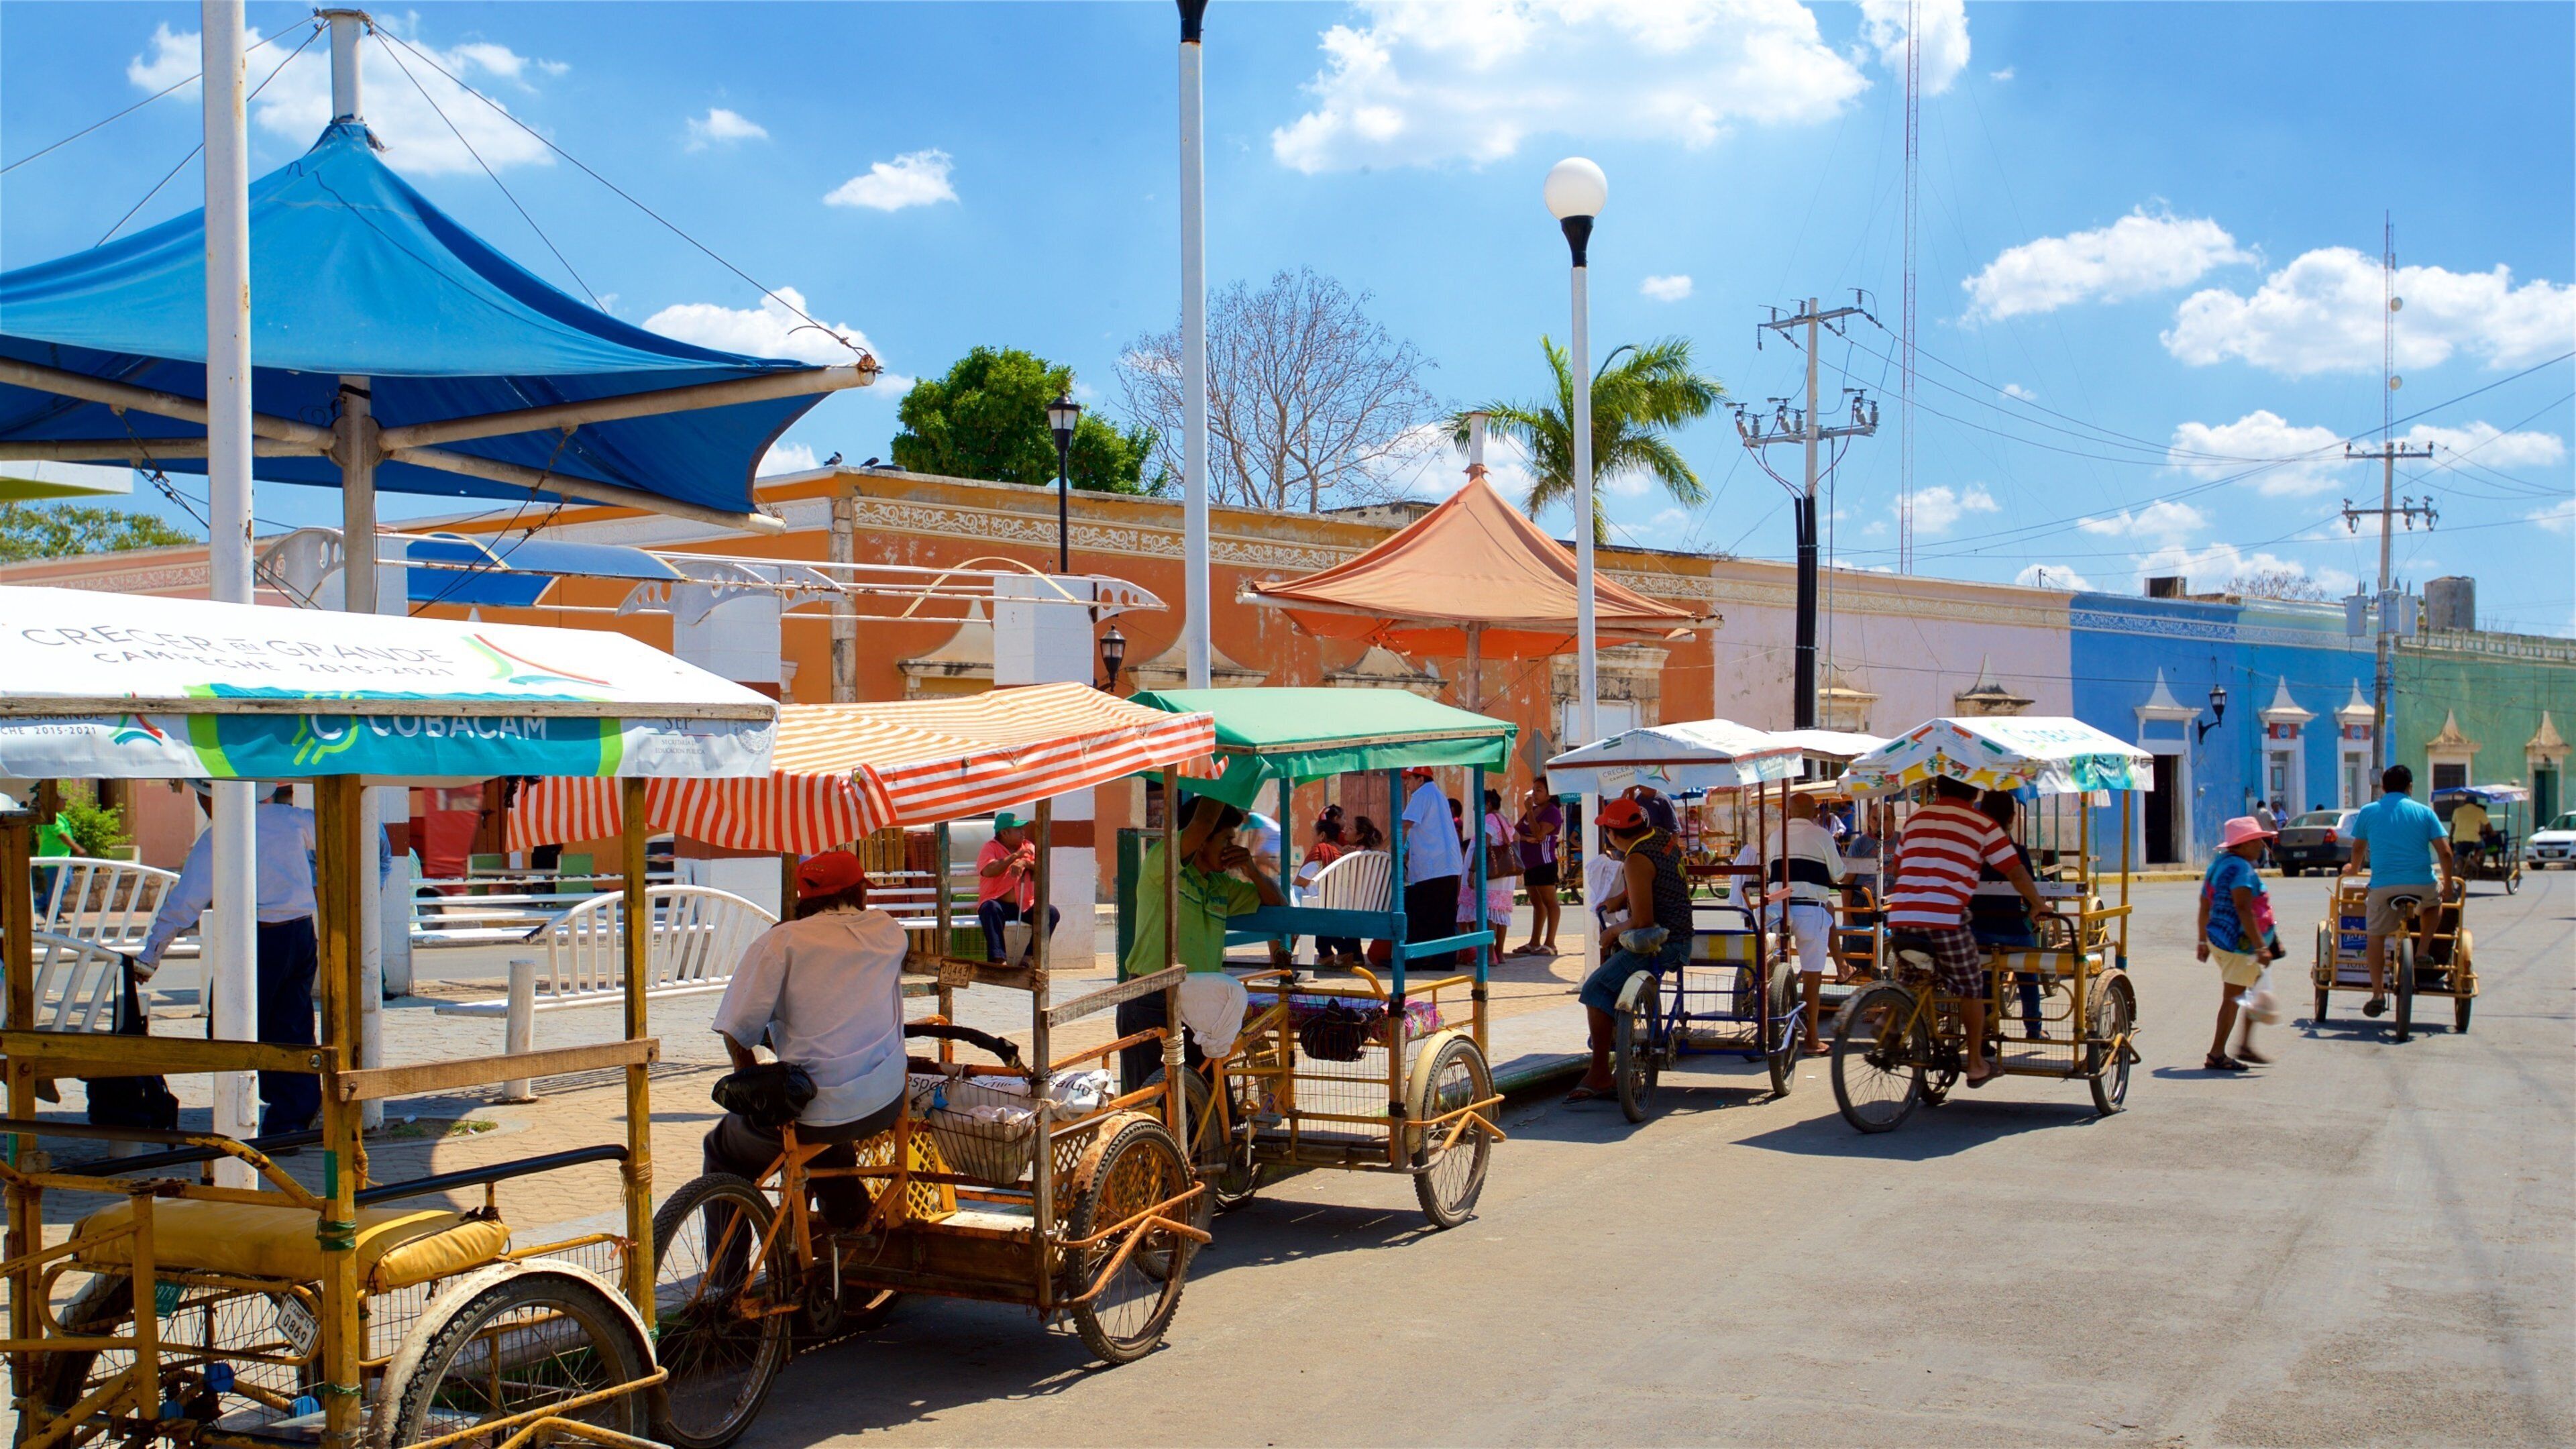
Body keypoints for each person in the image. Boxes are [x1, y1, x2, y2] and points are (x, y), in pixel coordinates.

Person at [704, 851, 908, 1231]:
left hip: (817, 1113)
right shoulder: (890, 931)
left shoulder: (781, 942)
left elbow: (736, 1028)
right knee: (826, 1102)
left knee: (722, 1149)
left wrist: (749, 1085)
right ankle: (849, 1218)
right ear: (860, 892)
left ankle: (726, 1282)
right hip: (885, 1101)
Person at [138, 783, 325, 1134]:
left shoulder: (219, 836)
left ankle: (245, 1116)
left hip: (257, 938)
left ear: (214, 796)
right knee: (292, 1025)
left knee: (229, 1027)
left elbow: (185, 902)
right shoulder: (294, 820)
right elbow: (354, 833)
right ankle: (293, 1113)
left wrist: (152, 953)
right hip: (300, 934)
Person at [1882, 775, 2051, 1089]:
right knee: (1972, 985)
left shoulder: (1916, 819)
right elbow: (2014, 870)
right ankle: (1975, 1064)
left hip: (1902, 916)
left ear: (1937, 789)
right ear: (1974, 791)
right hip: (1945, 918)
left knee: (1912, 977)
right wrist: (2038, 903)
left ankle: (1891, 1019)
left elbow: (1897, 869)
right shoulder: (1981, 823)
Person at [1114, 794, 1287, 1089]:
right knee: (1154, 1104)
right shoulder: (1164, 862)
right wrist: (1226, 781)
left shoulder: (1221, 885)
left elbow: (1279, 907)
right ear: (1202, 840)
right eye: (1226, 840)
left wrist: (1252, 870)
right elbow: (1204, 820)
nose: (1232, 848)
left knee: (1207, 1107)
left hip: (1199, 1006)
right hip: (1152, 999)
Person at [1566, 798, 1693, 1103]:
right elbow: (1655, 882)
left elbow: (1643, 921)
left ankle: (1599, 1073)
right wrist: (1622, 898)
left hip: (1665, 944)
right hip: (1680, 935)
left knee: (1595, 987)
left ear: (1613, 834)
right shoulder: (1662, 838)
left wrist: (1612, 931)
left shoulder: (1635, 860)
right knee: (1608, 978)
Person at [2342, 764, 2457, 1018]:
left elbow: (2358, 848)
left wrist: (2354, 869)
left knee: (2375, 936)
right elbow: (2446, 853)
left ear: (2383, 787)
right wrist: (2447, 885)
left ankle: (2377, 994)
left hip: (2382, 887)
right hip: (2421, 883)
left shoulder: (2369, 812)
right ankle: (2423, 950)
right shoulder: (2425, 813)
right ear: (2411, 787)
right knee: (2433, 904)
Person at [1735, 792, 1846, 1055]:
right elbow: (1839, 873)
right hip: (1811, 911)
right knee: (1812, 976)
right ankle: (1812, 1039)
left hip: (1779, 910)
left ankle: (1767, 1025)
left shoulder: (1775, 837)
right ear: (1816, 812)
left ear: (1788, 812)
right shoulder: (1822, 835)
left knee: (1773, 967)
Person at [2196, 816, 2282, 1071]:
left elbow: (2205, 905)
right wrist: (2260, 946)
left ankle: (2244, 1044)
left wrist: (2202, 940)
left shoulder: (2219, 865)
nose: (2261, 847)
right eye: (2256, 841)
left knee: (2252, 988)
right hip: (2238, 944)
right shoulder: (2241, 870)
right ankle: (2217, 1053)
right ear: (2243, 845)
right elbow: (2244, 908)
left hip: (2221, 940)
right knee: (2233, 997)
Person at [1966, 791, 2047, 1042]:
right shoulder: (2017, 852)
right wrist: (2038, 907)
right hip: (2013, 933)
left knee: (1986, 976)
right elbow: (2029, 890)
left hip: (1977, 933)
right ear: (2011, 817)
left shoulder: (1973, 853)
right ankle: (2033, 1026)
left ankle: (1985, 1030)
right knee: (2029, 971)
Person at [1399, 766, 1465, 972]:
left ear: (1420, 779)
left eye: (1409, 779)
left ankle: (1415, 960)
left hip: (1433, 867)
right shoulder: (1438, 795)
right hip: (1447, 866)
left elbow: (1405, 823)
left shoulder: (1422, 794)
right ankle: (1442, 961)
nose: (1406, 783)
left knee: (1419, 914)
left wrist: (1386, 845)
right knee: (1443, 918)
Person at [974, 812, 1057, 965]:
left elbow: (1043, 867)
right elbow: (989, 870)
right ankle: (999, 960)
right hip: (998, 904)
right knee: (989, 908)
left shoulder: (1028, 846)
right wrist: (1014, 857)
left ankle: (1029, 959)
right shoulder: (990, 848)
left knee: (1051, 913)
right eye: (1018, 829)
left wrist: (1025, 864)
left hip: (1024, 905)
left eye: (1022, 829)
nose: (1023, 832)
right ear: (1004, 833)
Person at [1300, 806, 1362, 967]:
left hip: (1325, 904)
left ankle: (1337, 950)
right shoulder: (1344, 852)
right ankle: (1331, 953)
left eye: (1312, 835)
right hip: (1349, 903)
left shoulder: (1321, 852)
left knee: (1307, 910)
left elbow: (1301, 881)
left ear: (1321, 835)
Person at [1513, 781, 1564, 957]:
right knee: (1536, 903)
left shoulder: (1553, 812)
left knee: (1550, 902)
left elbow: (1539, 834)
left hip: (1544, 862)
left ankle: (1550, 943)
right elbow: (1515, 832)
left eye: (1539, 790)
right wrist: (1527, 839)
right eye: (1534, 790)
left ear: (1549, 794)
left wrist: (1528, 812)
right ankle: (1534, 942)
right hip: (1529, 864)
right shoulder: (1534, 811)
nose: (1534, 794)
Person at [1460, 788, 1518, 936]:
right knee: (1499, 912)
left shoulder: (1489, 819)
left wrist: (1473, 870)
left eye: (1476, 804)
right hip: (1503, 873)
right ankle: (1498, 954)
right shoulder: (1503, 818)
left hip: (1489, 872)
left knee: (1488, 911)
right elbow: (1516, 837)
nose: (1474, 808)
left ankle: (1490, 955)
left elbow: (1482, 846)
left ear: (1487, 803)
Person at [2251, 798, 2279, 868]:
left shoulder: (2253, 813)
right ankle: (2273, 864)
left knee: (2260, 851)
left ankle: (2261, 864)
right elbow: (2273, 821)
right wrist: (2277, 830)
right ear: (2264, 806)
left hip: (2258, 836)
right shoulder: (2267, 812)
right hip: (2268, 835)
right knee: (2271, 850)